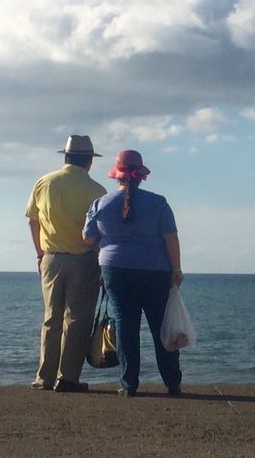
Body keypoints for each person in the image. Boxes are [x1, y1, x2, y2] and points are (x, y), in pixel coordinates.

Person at [82, 149, 185, 397]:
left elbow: (87, 238)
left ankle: (130, 384)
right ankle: (172, 382)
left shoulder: (100, 204)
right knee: (162, 327)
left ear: (117, 176)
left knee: (126, 328)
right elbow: (171, 239)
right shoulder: (159, 203)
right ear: (141, 175)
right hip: (155, 271)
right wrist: (177, 269)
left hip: (116, 271)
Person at [24, 134, 108, 392]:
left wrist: (40, 253)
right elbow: (102, 232)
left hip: (51, 258)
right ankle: (68, 377)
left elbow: (33, 220)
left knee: (51, 319)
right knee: (78, 320)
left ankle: (44, 378)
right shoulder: (98, 191)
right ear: (89, 162)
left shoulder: (44, 182)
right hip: (85, 259)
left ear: (66, 157)